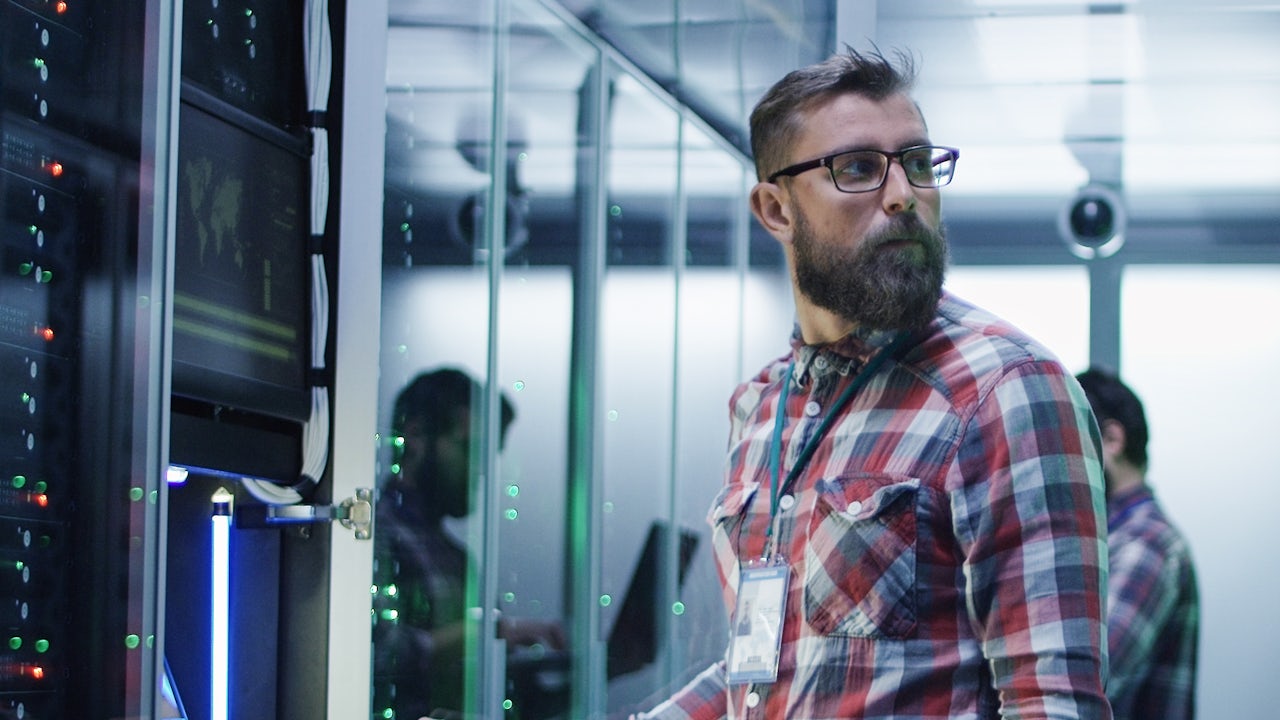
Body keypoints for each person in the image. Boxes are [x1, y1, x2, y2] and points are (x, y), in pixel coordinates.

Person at [635, 47, 1111, 719]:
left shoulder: (1005, 389)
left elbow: (1053, 703)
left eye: (917, 164)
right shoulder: (760, 407)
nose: (902, 194)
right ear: (775, 210)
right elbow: (768, 665)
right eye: (858, 168)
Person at [371, 368, 563, 720]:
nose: (480, 471)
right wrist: (488, 632)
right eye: (469, 448)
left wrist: (610, 665)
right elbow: (376, 654)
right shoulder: (373, 538)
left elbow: (508, 701)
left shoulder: (457, 559)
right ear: (414, 436)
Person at [1075, 367, 1199, 720]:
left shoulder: (1148, 543)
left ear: (1111, 439)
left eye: (1070, 440)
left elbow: (1086, 684)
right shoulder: (1121, 537)